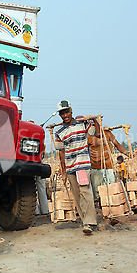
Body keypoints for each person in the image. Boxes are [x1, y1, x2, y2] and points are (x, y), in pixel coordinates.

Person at [54, 100, 100, 235]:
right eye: (62, 113)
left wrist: (94, 120)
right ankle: (85, 220)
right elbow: (61, 152)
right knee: (77, 195)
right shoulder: (59, 132)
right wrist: (63, 171)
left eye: (67, 112)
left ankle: (89, 222)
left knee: (85, 191)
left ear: (71, 111)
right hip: (70, 167)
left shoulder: (83, 123)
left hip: (82, 164)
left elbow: (96, 133)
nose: (65, 115)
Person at [88, 128, 129, 201]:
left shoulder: (107, 133)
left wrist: (126, 153)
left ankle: (113, 204)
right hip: (96, 167)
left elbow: (117, 144)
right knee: (97, 190)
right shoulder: (88, 136)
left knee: (111, 188)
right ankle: (100, 205)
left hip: (108, 166)